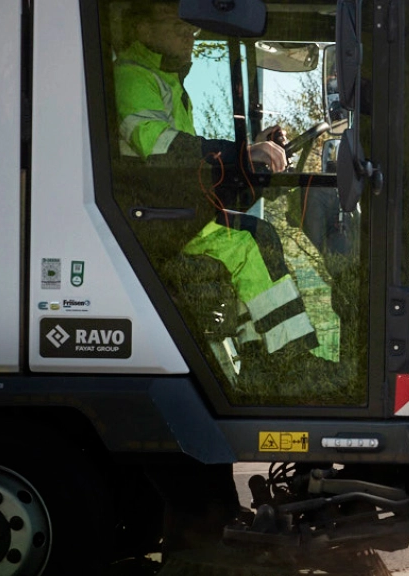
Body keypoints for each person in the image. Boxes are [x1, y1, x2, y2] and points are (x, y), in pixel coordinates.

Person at [113, 7, 327, 380]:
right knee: (251, 241)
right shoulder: (132, 77)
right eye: (177, 25)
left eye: (190, 28)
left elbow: (191, 163)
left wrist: (249, 153)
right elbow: (159, 147)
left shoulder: (163, 79)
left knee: (256, 235)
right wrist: (241, 154)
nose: (188, 35)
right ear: (143, 27)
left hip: (169, 213)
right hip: (156, 222)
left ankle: (259, 359)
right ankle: (288, 362)